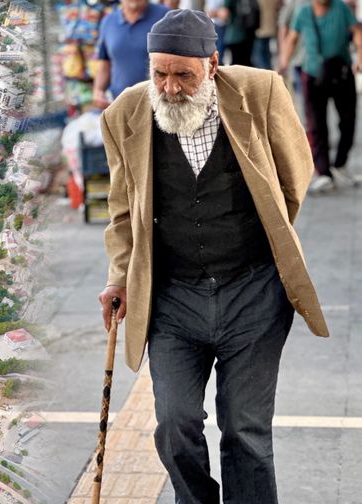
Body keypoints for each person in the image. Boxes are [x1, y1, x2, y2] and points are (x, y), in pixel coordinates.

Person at [97, 9, 329, 503]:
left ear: (213, 64)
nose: (171, 87)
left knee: (244, 428)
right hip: (172, 298)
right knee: (174, 423)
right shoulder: (126, 114)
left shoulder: (260, 92)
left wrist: (269, 224)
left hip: (253, 290)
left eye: (184, 73)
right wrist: (119, 277)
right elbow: (122, 212)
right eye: (160, 72)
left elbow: (295, 170)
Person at [279, 0, 362, 192]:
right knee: (316, 125)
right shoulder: (304, 13)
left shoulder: (341, 9)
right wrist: (283, 64)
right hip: (313, 75)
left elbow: (357, 31)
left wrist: (359, 57)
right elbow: (292, 38)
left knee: (348, 121)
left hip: (340, 73)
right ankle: (324, 173)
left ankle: (340, 164)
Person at [93, 0, 169, 108]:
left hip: (157, 105)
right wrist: (98, 90)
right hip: (120, 104)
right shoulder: (108, 22)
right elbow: (105, 62)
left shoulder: (165, 16)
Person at [221, 0, 260, 65]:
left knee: (236, 65)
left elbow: (224, 14)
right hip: (249, 32)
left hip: (235, 34)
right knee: (246, 62)